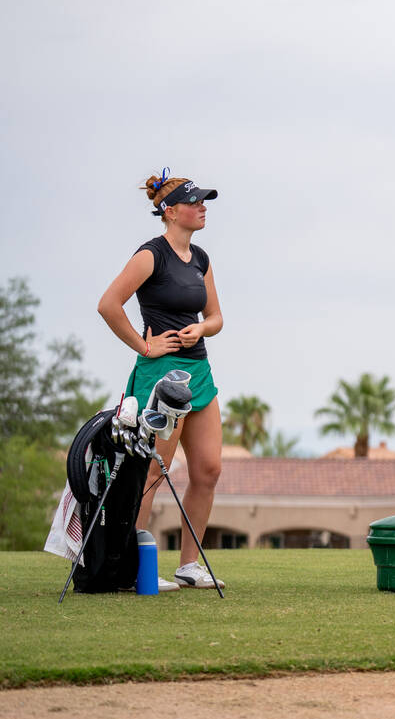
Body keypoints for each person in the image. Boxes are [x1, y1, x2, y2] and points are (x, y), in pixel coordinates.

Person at [97, 169, 226, 589]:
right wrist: (143, 346)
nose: (203, 207)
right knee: (152, 472)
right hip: (160, 377)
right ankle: (135, 569)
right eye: (195, 201)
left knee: (208, 470)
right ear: (170, 212)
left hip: (199, 373)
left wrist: (201, 329)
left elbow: (216, 317)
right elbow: (108, 304)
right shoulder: (150, 255)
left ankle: (190, 565)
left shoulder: (201, 258)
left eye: (205, 201)